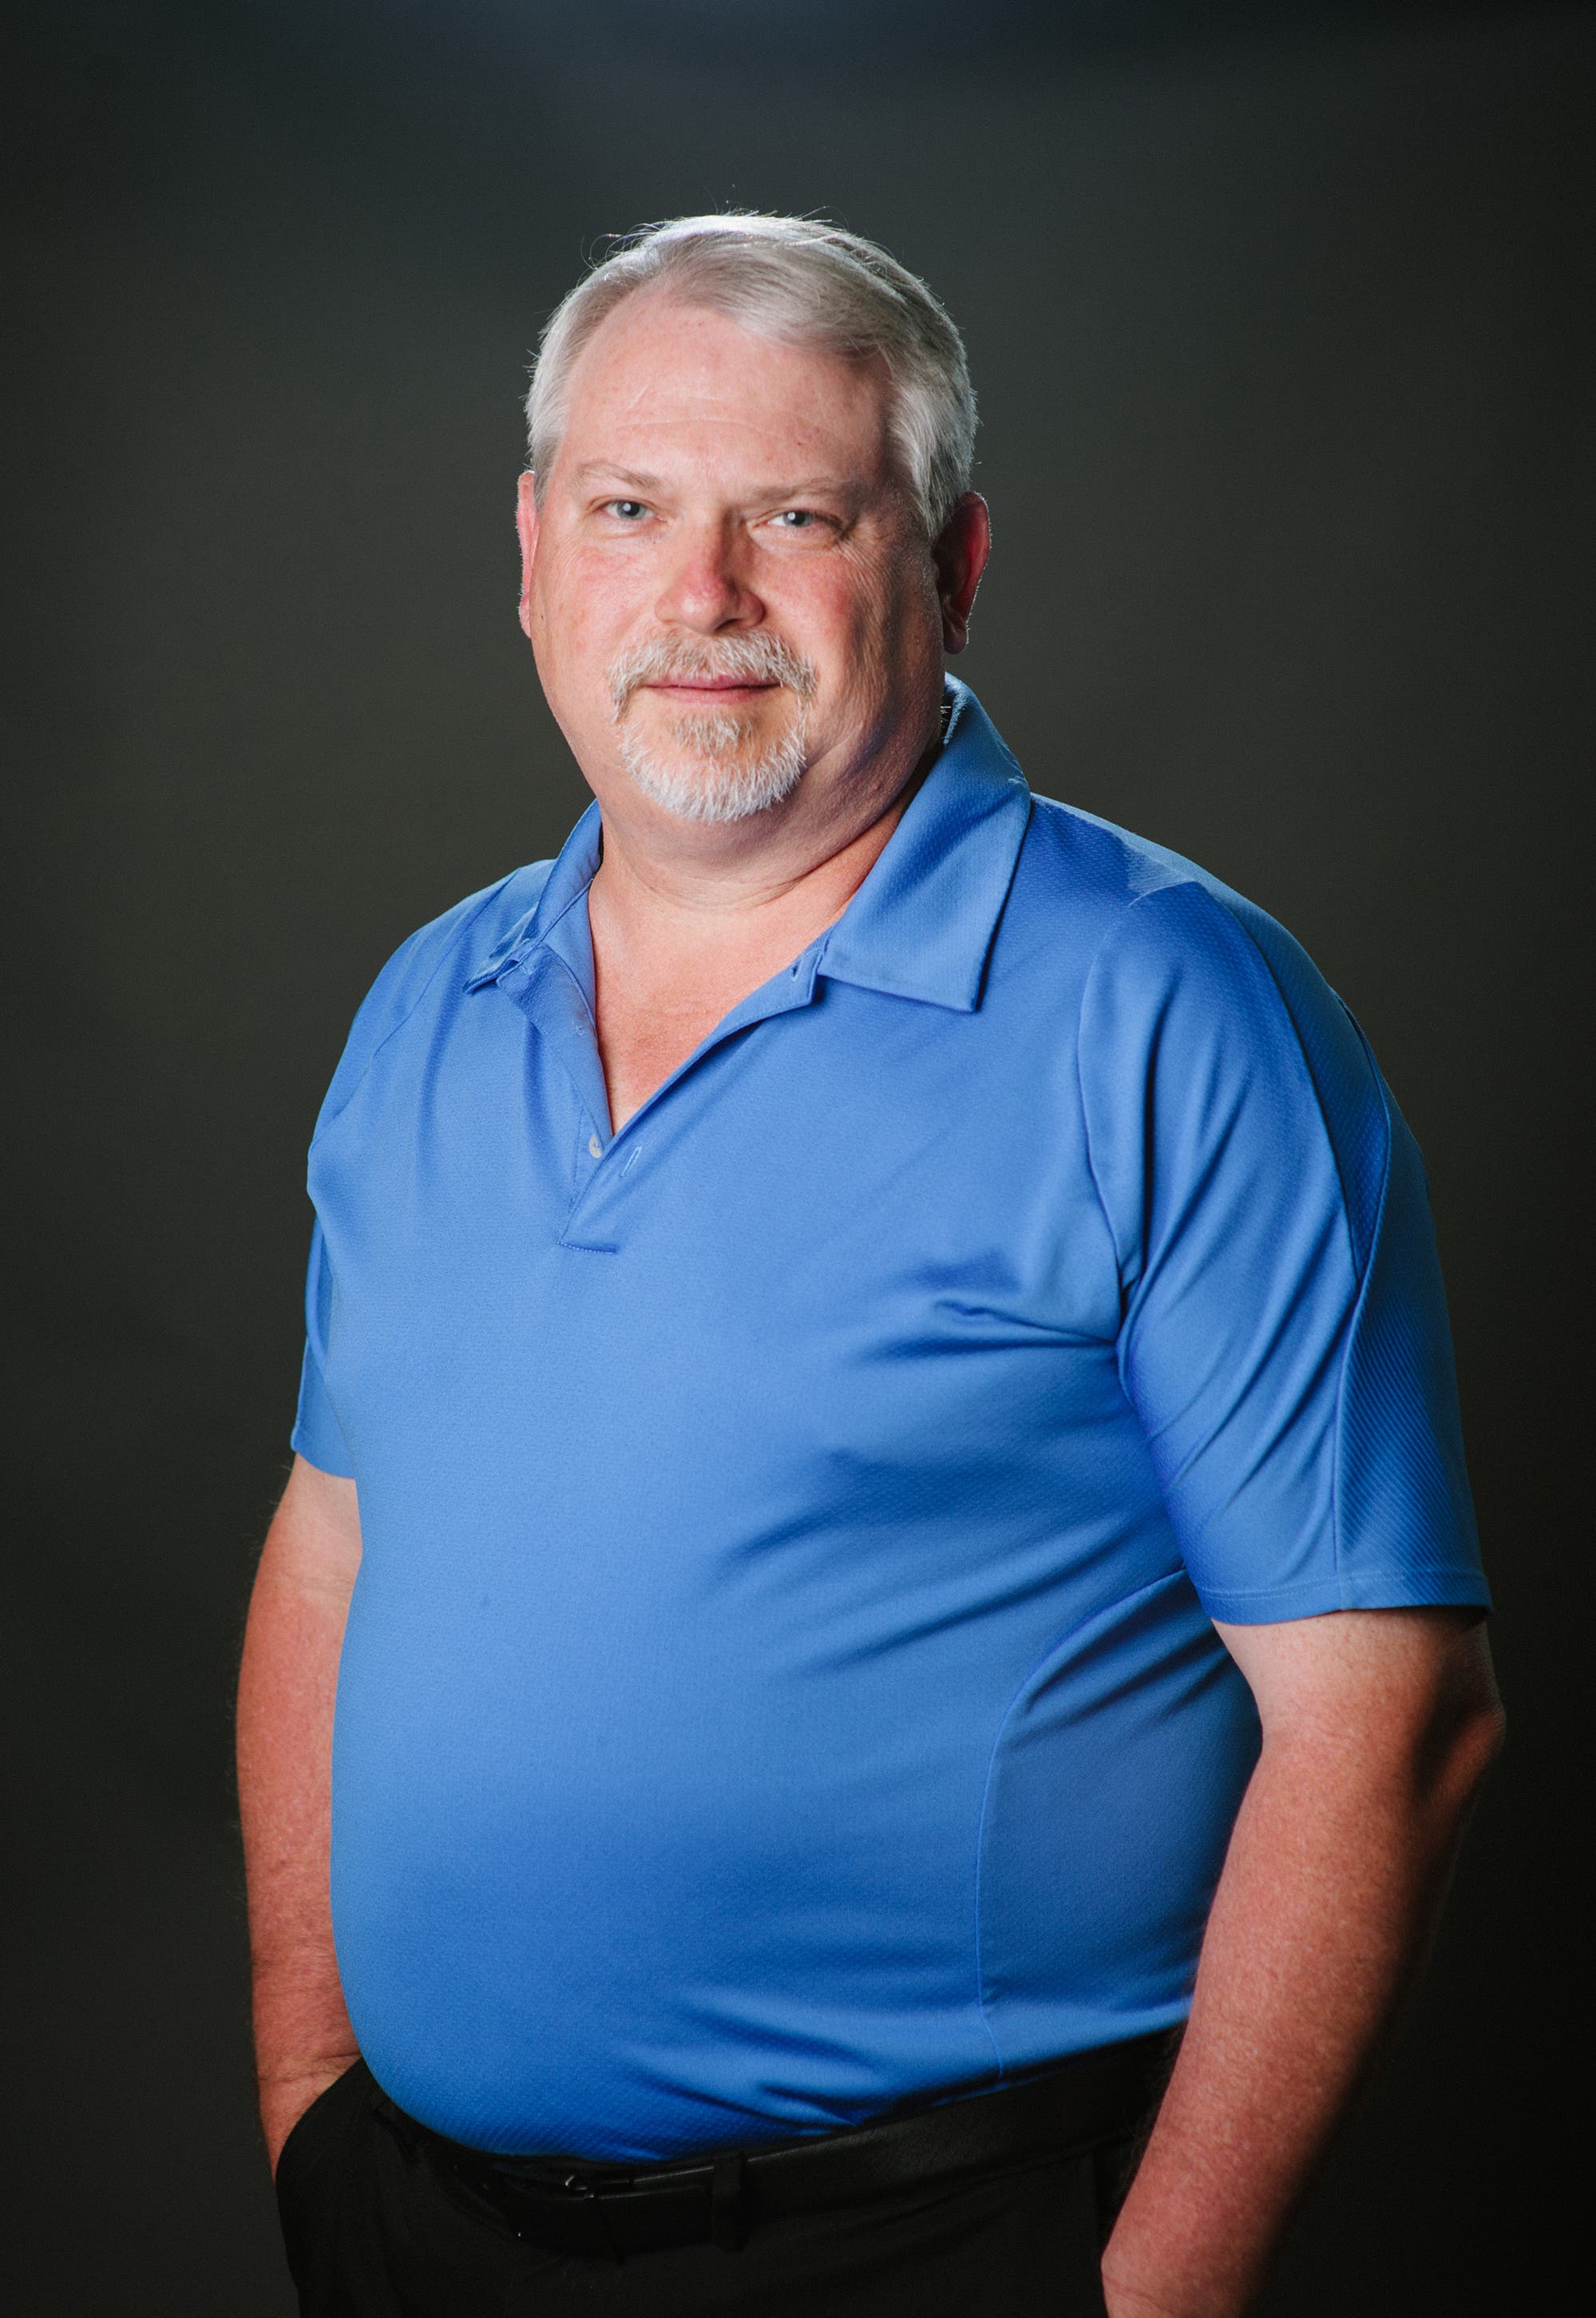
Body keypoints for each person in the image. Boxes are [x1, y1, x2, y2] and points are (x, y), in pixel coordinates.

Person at [236, 215, 1501, 2318]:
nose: (702, 596)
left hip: (937, 2243)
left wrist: (1146, 2301)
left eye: (797, 517)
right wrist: (310, 2097)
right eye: (631, 511)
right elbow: (334, 1551)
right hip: (423, 2236)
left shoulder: (1168, 1011)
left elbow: (1393, 1723)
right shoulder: (429, 1005)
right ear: (535, 553)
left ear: (952, 564)